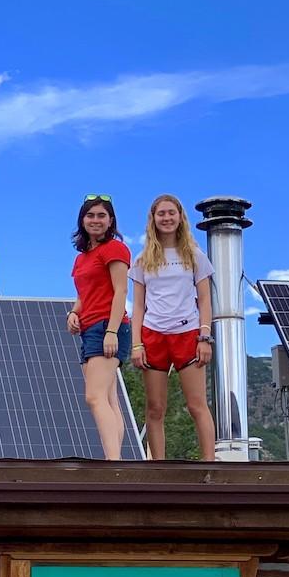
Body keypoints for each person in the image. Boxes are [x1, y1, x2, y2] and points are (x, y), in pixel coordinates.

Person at [129, 194, 216, 461]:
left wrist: (205, 335)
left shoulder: (194, 256)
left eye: (171, 213)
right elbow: (139, 306)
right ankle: (159, 467)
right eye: (161, 214)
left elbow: (204, 299)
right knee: (155, 408)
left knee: (196, 404)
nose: (166, 218)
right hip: (153, 335)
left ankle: (209, 465)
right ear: (153, 219)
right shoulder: (143, 260)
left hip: (187, 334)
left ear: (180, 217)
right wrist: (136, 344)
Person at [66, 194, 132, 460]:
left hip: (107, 326)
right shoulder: (83, 258)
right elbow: (85, 293)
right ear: (82, 220)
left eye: (101, 215)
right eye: (90, 215)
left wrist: (111, 331)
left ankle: (112, 462)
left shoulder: (114, 249)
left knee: (94, 397)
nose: (95, 220)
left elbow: (120, 291)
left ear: (111, 220)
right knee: (109, 399)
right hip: (89, 327)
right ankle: (115, 459)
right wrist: (74, 312)